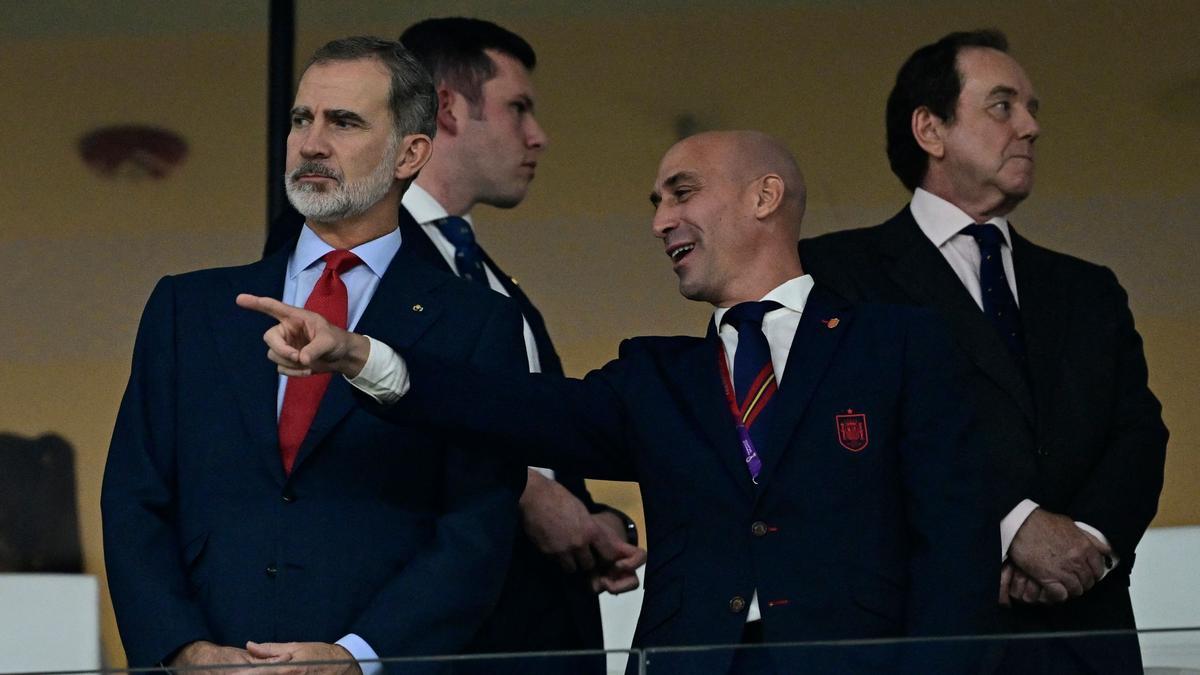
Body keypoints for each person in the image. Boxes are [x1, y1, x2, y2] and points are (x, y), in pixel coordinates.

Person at [240, 130, 997, 675]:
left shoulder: (898, 344)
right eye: (655, 201)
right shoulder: (658, 376)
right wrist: (358, 354)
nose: (660, 219)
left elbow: (955, 538)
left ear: (765, 196)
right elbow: (511, 407)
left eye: (682, 192)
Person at [102, 36, 527, 673]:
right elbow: (135, 499)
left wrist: (360, 656)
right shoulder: (187, 309)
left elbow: (477, 525)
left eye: (344, 122)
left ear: (410, 153)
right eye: (303, 119)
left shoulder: (476, 323)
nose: (312, 143)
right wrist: (182, 649)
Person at [800, 29, 1168, 674]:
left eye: (1032, 109)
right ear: (930, 129)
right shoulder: (838, 274)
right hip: (932, 636)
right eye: (1003, 105)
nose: (1029, 127)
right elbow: (844, 443)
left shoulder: (1088, 288)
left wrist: (1090, 545)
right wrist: (1011, 528)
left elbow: (1137, 434)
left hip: (1085, 631)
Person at [397, 18, 643, 672]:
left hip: (539, 629)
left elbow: (520, 426)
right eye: (518, 108)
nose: (538, 135)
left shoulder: (483, 272)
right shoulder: (357, 254)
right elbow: (366, 400)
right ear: (447, 108)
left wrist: (590, 520)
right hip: (445, 638)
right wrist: (531, 494)